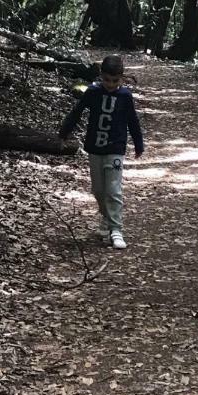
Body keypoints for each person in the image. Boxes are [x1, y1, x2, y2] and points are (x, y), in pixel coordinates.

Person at [59, 55, 144, 249]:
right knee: (98, 190)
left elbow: (133, 121)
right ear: (101, 76)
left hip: (116, 149)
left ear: (122, 79)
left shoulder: (125, 96)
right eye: (107, 80)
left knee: (113, 189)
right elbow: (77, 111)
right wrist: (64, 132)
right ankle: (106, 217)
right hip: (95, 148)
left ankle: (116, 229)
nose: (110, 85)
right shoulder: (93, 92)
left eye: (115, 81)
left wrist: (138, 144)